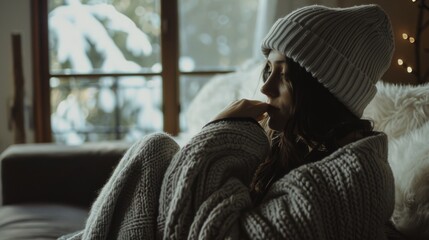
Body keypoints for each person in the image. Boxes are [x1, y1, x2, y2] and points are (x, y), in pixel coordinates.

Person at [61, 4, 395, 240]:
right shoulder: (302, 147)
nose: (265, 87)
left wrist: (222, 131)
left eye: (285, 76)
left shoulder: (346, 180)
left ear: (323, 91)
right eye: (268, 69)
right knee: (154, 150)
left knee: (154, 150)